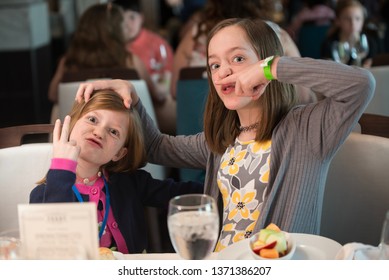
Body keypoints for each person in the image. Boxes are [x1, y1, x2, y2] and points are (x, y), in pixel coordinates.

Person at [76, 18, 375, 252]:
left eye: (238, 59)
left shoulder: (307, 130)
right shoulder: (221, 141)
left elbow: (361, 85)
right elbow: (156, 147)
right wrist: (133, 98)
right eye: (215, 64)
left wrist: (273, 68)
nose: (223, 72)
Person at [30, 89, 203, 254]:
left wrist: (224, 186)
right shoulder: (44, 195)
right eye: (92, 119)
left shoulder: (129, 182)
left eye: (113, 132)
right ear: (72, 125)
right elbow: (50, 247)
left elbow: (185, 194)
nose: (98, 132)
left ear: (119, 153)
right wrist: (61, 169)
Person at [171, 0, 316, 104]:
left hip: (196, 127)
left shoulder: (193, 37)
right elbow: (305, 96)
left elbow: (175, 91)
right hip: (269, 133)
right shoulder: (276, 36)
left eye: (238, 58)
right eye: (215, 65)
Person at [48, 3, 166, 123]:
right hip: (124, 130)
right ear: (116, 31)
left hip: (76, 129)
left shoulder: (67, 62)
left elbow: (53, 95)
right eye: (122, 24)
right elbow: (158, 97)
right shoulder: (131, 61)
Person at [115, 0, 177, 135]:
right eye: (121, 19)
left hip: (150, 103)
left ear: (141, 18)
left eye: (132, 17)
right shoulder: (113, 47)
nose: (126, 24)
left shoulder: (157, 43)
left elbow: (166, 80)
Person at [320, 0, 383, 67]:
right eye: (347, 19)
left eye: (357, 18)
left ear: (363, 21)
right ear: (338, 21)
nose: (353, 23)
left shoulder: (370, 43)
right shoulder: (329, 45)